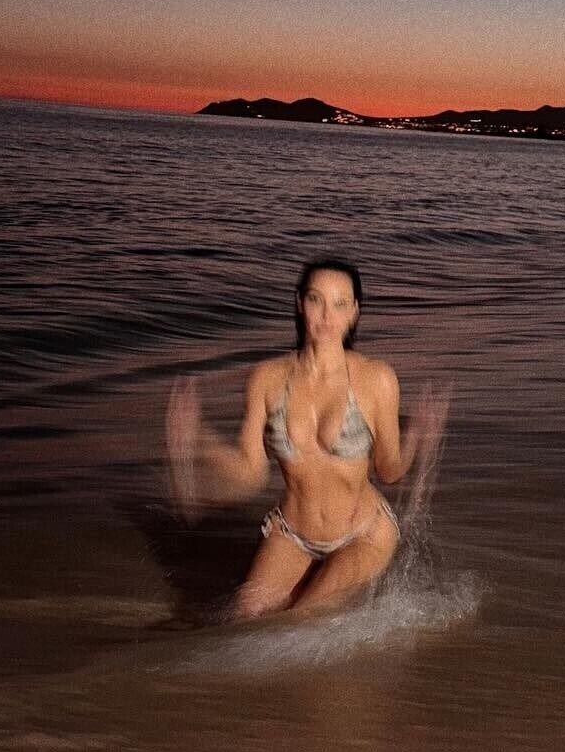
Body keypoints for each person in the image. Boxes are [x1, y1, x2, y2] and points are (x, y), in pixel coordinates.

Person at [166, 258, 446, 620]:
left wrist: (417, 436)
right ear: (299, 303)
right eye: (316, 300)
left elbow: (389, 471)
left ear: (354, 312)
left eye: (340, 304)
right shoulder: (266, 379)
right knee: (244, 614)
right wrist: (199, 437)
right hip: (292, 532)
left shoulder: (376, 379)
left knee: (299, 619)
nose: (327, 316)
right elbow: (250, 474)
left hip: (362, 533)